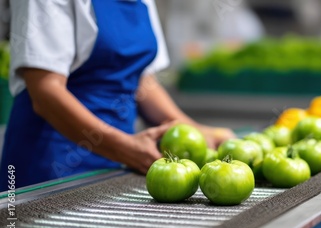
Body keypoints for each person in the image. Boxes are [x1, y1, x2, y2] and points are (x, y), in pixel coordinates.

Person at [0, 0, 236, 191]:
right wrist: (125, 147)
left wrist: (193, 129)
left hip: (115, 163)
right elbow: (45, 92)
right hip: (52, 163)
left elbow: (140, 79)